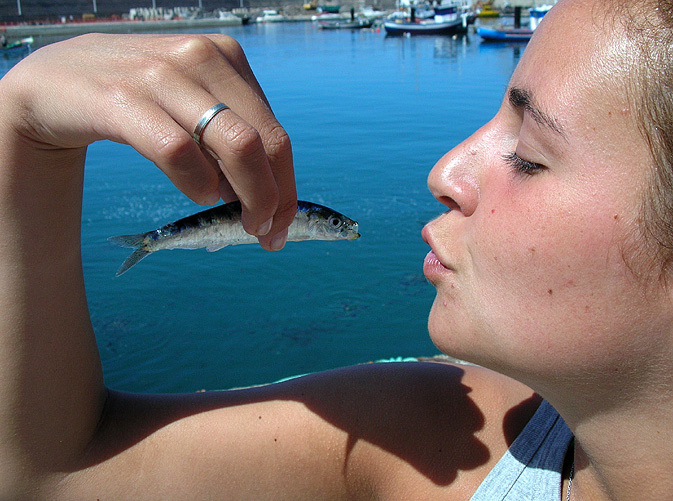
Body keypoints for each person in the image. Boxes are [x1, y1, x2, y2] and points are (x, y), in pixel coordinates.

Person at [0, 0, 671, 498]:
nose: (443, 171)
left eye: (526, 155)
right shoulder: (423, 427)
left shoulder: (441, 458)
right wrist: (23, 129)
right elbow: (45, 472)